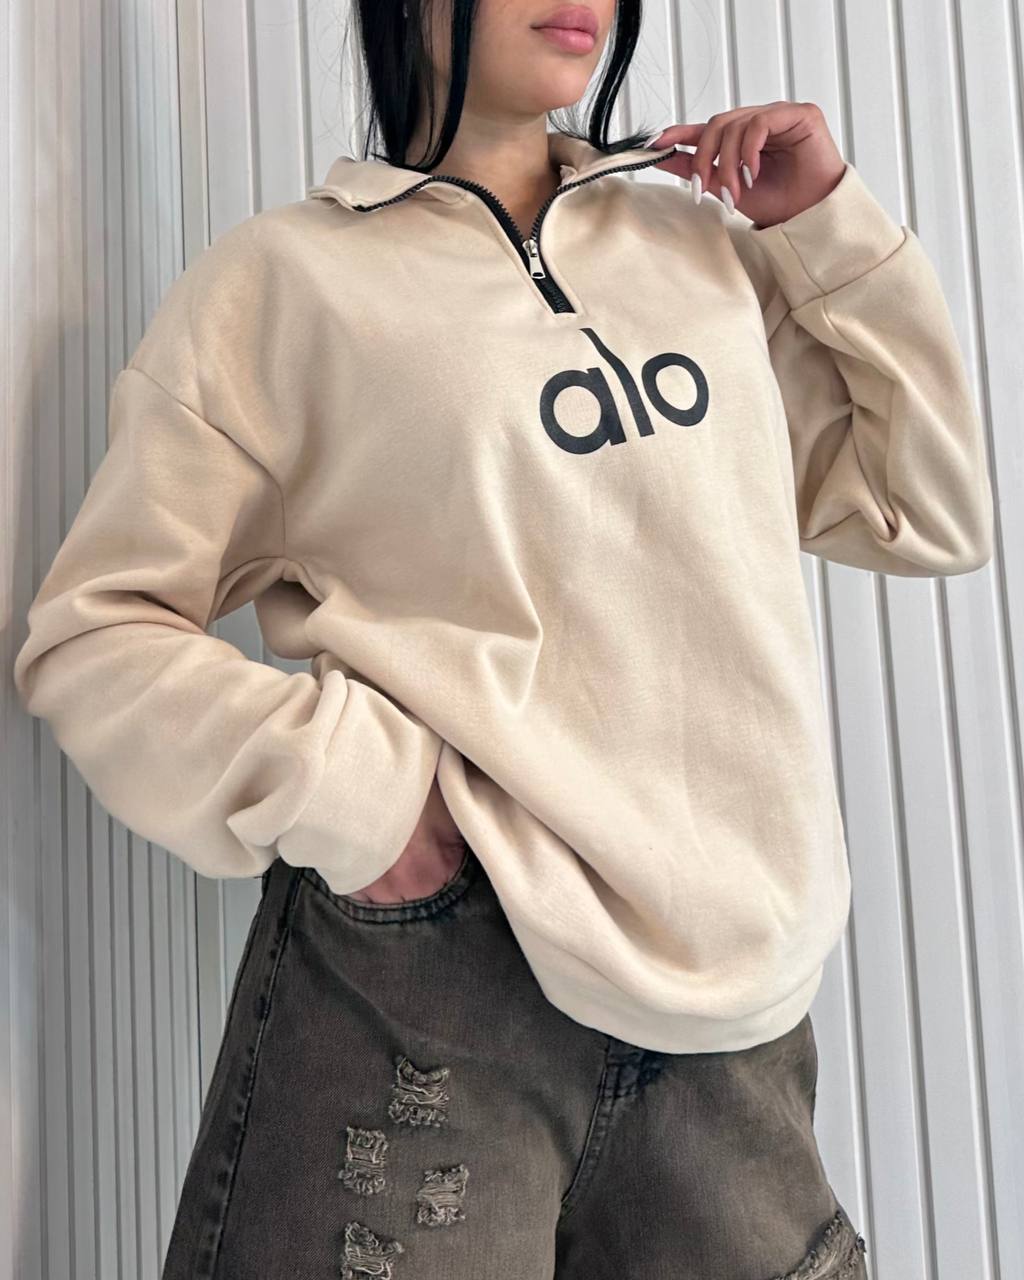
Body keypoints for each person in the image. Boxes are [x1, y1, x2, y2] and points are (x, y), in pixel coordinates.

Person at [13, 1, 993, 1277]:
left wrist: (826, 224)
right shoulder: (283, 285)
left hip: (729, 1014)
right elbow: (94, 633)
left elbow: (927, 507)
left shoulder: (700, 250)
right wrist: (361, 794)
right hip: (436, 991)